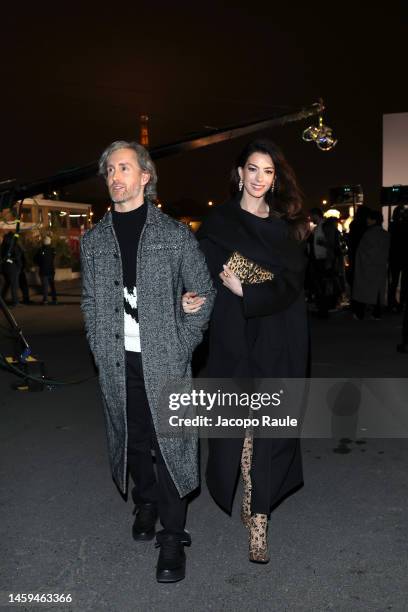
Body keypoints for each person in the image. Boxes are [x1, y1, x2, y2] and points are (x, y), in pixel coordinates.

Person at [80, 141, 215, 583]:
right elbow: (88, 301)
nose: (115, 176)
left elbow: (204, 292)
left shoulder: (174, 235)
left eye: (124, 167)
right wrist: (100, 346)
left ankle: (173, 536)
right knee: (134, 440)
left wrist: (182, 341)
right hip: (118, 364)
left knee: (172, 443)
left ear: (145, 176)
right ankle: (147, 501)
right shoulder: (94, 240)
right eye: (110, 170)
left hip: (166, 360)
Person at [184, 139, 309, 564]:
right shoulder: (218, 221)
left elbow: (292, 286)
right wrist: (189, 297)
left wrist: (248, 286)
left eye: (268, 172)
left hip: (278, 333)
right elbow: (201, 271)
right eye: (252, 169)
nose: (259, 178)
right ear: (239, 172)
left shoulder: (283, 227)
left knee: (268, 426)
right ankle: (246, 496)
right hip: (233, 334)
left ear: (276, 180)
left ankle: (259, 519)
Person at [352, 209, 390, 320]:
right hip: (380, 266)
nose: (367, 220)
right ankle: (377, 313)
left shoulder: (368, 234)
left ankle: (360, 314)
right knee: (378, 290)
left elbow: (362, 252)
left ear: (374, 220)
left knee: (362, 290)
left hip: (367, 266)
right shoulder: (385, 234)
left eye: (369, 218)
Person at [307, 208, 343, 317]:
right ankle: (323, 308)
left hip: (323, 260)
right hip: (320, 260)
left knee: (323, 286)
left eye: (311, 216)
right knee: (321, 286)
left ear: (316, 215)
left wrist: (328, 260)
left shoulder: (324, 227)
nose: (310, 218)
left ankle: (324, 310)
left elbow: (330, 244)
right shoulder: (320, 227)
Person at [1, 231, 23, 307]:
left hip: (4, 267)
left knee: (7, 284)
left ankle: (2, 300)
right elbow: (17, 256)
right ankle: (15, 302)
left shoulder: (3, 245)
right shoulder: (13, 245)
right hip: (12, 267)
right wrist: (19, 266)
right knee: (14, 285)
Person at [35, 236, 57, 305]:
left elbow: (35, 259)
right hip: (50, 270)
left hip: (43, 271)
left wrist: (40, 264)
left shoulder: (40, 250)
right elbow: (53, 258)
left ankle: (45, 300)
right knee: (52, 285)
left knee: (45, 286)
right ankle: (54, 299)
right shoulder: (52, 250)